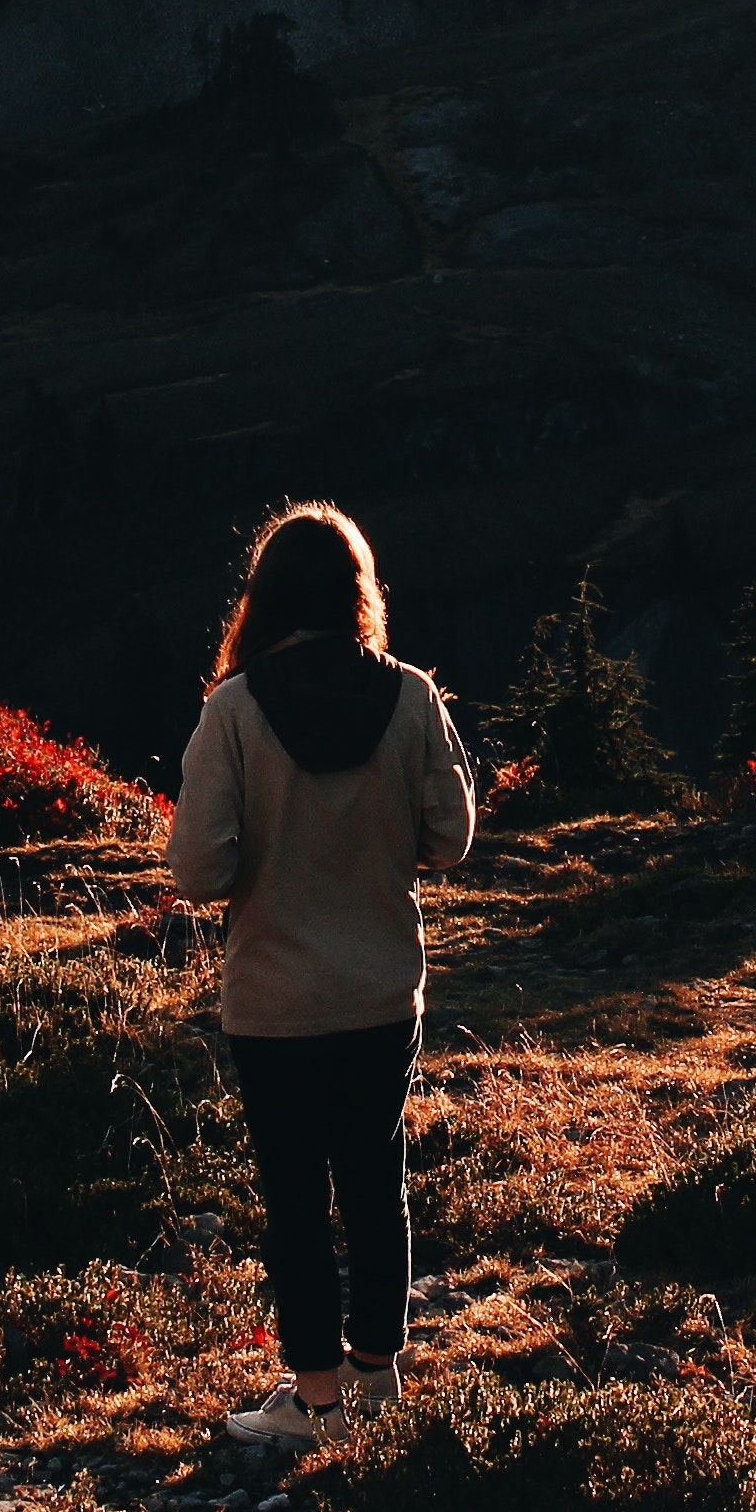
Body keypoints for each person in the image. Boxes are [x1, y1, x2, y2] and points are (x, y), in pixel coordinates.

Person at [169, 499, 475, 1457]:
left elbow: (197, 871)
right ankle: (381, 1374)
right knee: (377, 1184)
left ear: (261, 597)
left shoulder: (235, 710)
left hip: (275, 1002)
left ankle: (315, 1402)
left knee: (295, 1199)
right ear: (358, 593)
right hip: (383, 990)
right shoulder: (413, 695)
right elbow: (451, 838)